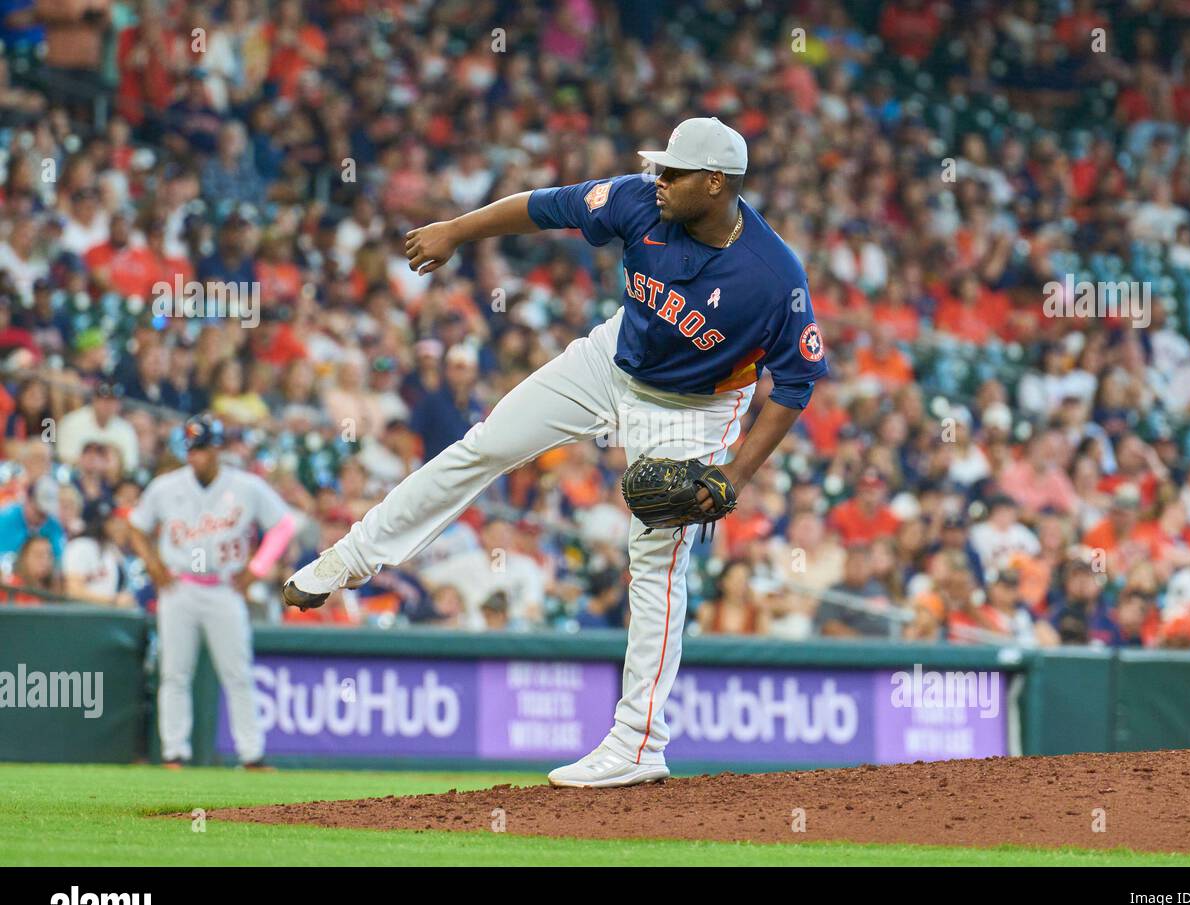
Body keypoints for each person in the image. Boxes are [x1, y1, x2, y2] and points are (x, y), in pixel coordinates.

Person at [284, 117, 828, 787]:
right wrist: (455, 230)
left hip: (696, 409)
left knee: (657, 562)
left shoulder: (774, 276)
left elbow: (797, 382)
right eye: (658, 169)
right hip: (612, 358)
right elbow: (541, 208)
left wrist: (734, 475)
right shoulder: (637, 199)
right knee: (484, 446)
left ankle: (638, 745)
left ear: (715, 183)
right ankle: (349, 558)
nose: (658, 181)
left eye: (674, 173)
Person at [128, 414, 297, 770]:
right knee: (174, 673)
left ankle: (251, 756)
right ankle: (174, 753)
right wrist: (153, 564)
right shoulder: (166, 486)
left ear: (217, 448)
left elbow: (284, 525)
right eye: (191, 449)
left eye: (202, 448)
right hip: (179, 586)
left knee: (237, 674)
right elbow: (135, 526)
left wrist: (258, 569)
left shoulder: (246, 486)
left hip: (224, 588)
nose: (196, 456)